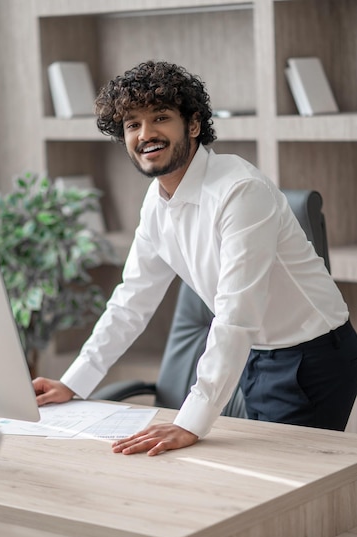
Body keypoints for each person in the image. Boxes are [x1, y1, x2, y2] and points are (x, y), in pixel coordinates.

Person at [33, 60, 357, 456]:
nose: (145, 134)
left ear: (193, 124)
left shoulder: (240, 191)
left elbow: (237, 314)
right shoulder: (157, 201)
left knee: (280, 493)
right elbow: (131, 300)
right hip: (254, 353)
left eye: (160, 118)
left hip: (309, 357)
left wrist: (189, 422)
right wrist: (75, 382)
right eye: (132, 124)